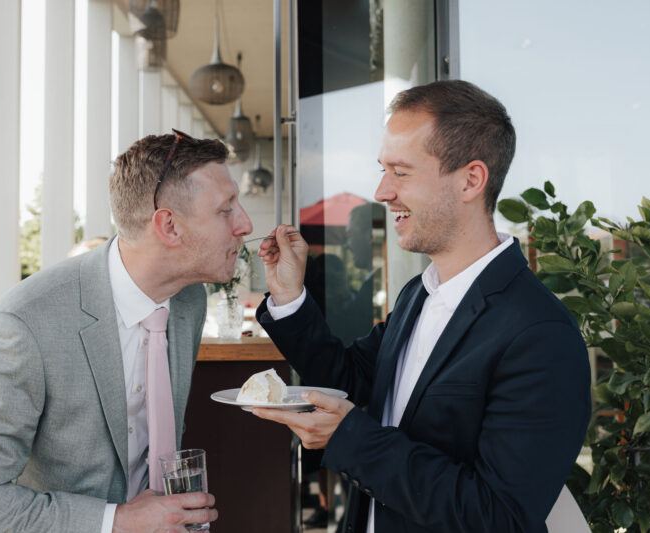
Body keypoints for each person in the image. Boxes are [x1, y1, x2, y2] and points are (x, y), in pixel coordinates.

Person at [253, 80, 591, 532]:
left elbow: (498, 517)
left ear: (471, 180)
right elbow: (350, 381)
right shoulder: (419, 293)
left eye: (401, 171)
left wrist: (351, 438)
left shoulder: (541, 335)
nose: (381, 191)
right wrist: (290, 296)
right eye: (382, 169)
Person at [0, 130, 252, 532]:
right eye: (227, 209)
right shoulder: (22, 326)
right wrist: (115, 523)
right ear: (169, 226)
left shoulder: (188, 301)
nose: (246, 224)